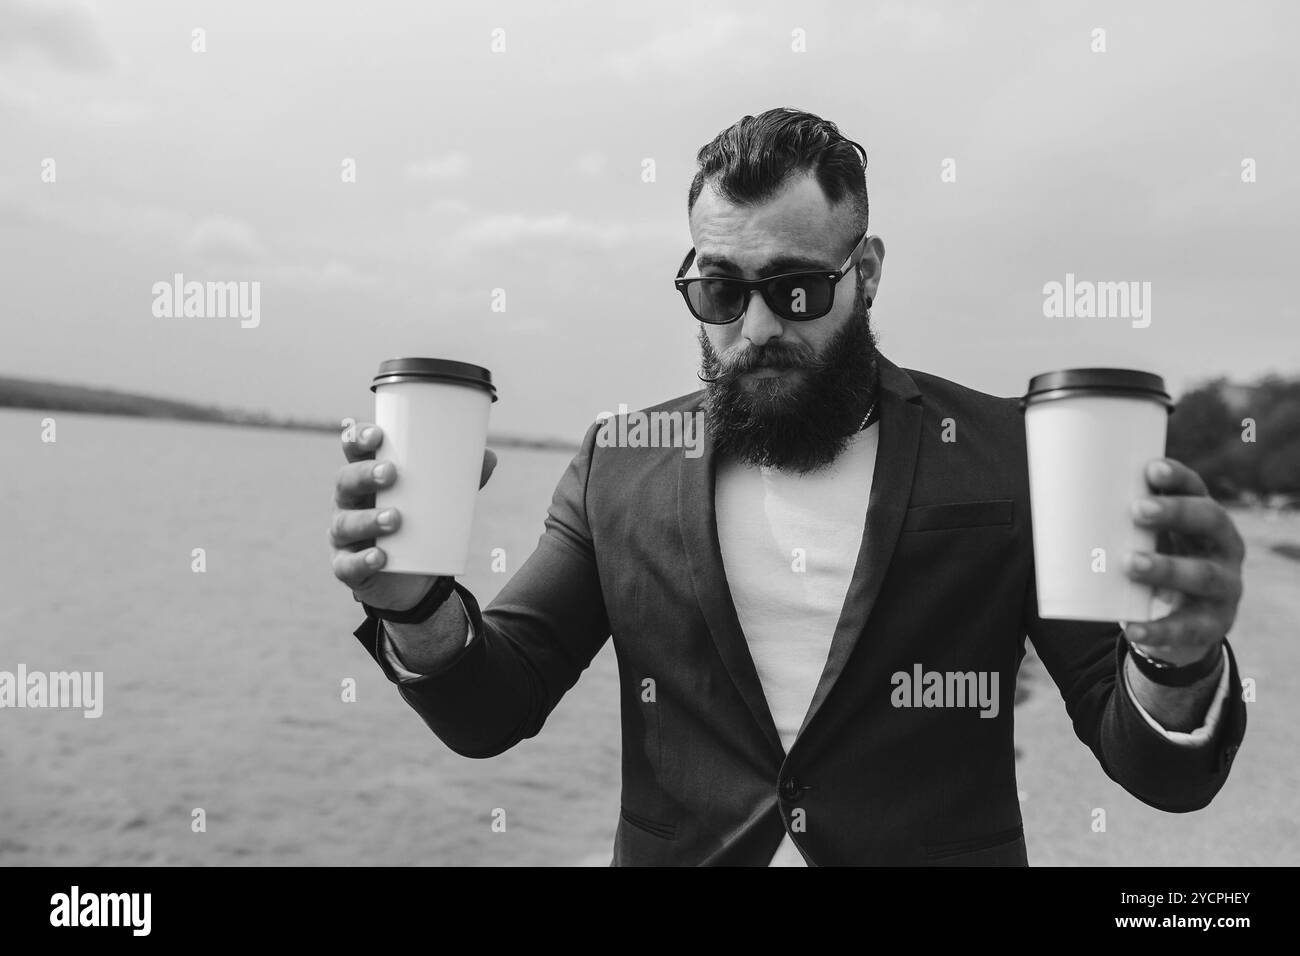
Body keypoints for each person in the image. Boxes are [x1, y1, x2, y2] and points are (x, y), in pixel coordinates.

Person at [329, 108, 1246, 866]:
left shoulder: (1006, 451)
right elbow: (497, 705)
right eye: (722, 292)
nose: (758, 325)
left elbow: (1155, 767)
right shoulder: (621, 461)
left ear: (868, 272)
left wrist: (1177, 659)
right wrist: (416, 609)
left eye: (797, 288)